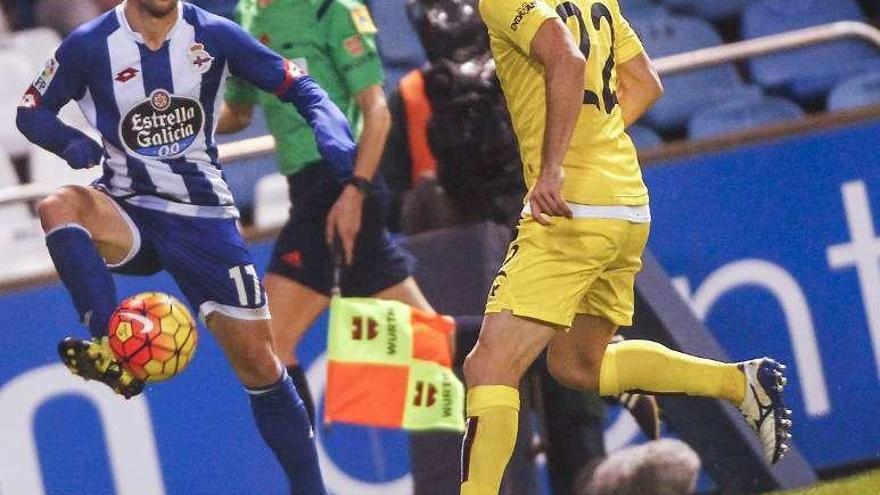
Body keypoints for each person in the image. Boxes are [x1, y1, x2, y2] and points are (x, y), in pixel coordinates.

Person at [15, 0, 359, 492]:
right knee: (57, 206)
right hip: (128, 206)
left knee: (262, 364)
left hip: (204, 220)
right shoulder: (90, 45)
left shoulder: (213, 34)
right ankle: (111, 346)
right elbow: (31, 111)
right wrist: (68, 142)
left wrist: (327, 120)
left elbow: (297, 84)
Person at [458, 1, 793, 493]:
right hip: (626, 203)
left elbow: (567, 59)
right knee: (578, 365)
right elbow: (645, 82)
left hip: (571, 208)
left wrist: (556, 166)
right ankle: (739, 384)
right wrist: (594, 144)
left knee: (488, 366)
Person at [216, 0, 460, 429]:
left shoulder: (332, 9)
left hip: (342, 182)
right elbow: (239, 111)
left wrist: (356, 191)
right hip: (307, 190)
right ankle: (528, 349)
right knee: (425, 331)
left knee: (267, 345)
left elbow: (377, 111)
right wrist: (185, 125)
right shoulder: (245, 18)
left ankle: (304, 476)